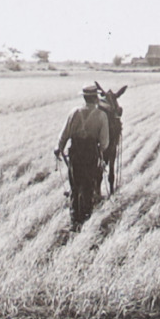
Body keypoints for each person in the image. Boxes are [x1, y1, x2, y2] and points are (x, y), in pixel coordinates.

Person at [55, 84, 115, 231]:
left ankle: (74, 219)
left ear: (83, 97)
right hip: (90, 156)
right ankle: (86, 220)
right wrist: (99, 152)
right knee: (88, 187)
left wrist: (59, 149)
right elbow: (105, 143)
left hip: (75, 154)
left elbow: (63, 136)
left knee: (75, 187)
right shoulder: (102, 116)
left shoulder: (73, 112)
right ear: (96, 99)